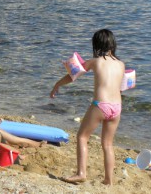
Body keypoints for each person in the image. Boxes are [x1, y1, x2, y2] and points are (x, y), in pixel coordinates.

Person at [50, 29, 125, 186]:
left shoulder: (95, 62)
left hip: (101, 105)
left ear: (96, 45)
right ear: (113, 44)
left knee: (82, 137)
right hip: (117, 107)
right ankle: (109, 180)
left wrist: (57, 85)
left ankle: (81, 173)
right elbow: (121, 86)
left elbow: (73, 75)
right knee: (108, 144)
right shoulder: (121, 64)